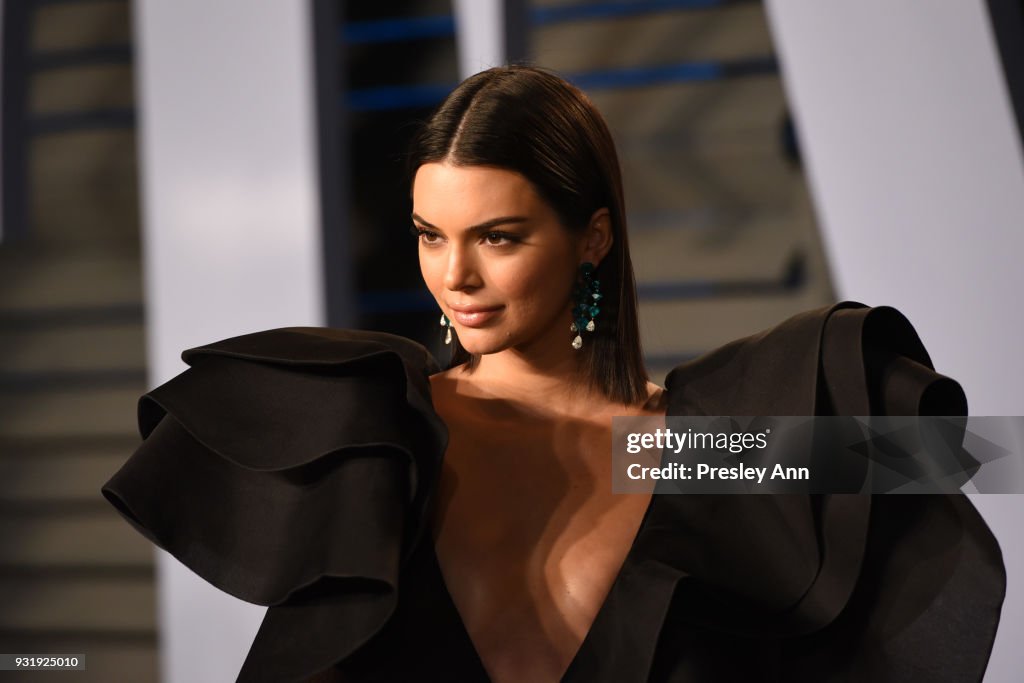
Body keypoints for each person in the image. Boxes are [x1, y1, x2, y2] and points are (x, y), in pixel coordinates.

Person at [102, 66, 1005, 682]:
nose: (455, 276)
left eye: (498, 236)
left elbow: (960, 459)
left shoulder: (690, 452)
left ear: (594, 238)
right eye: (430, 235)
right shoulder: (382, 434)